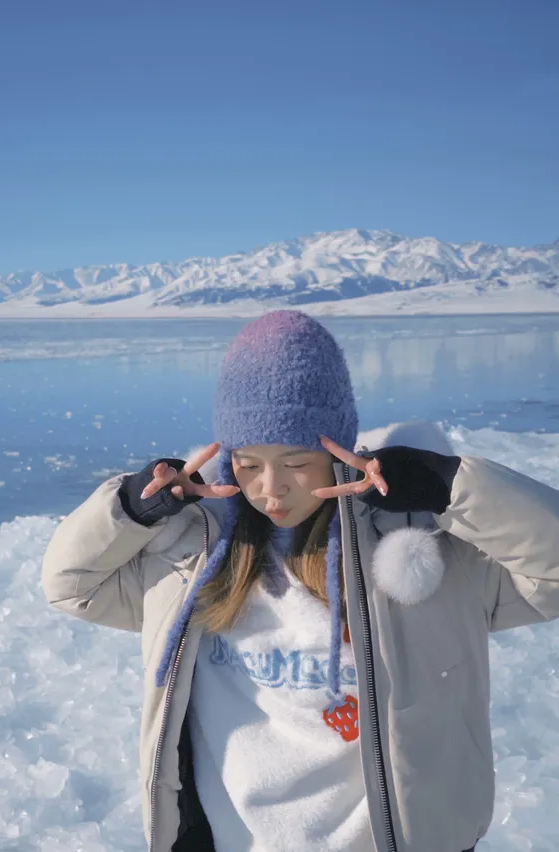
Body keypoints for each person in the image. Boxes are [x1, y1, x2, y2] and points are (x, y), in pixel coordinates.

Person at [42, 310, 559, 852]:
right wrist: (131, 506)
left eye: (296, 462)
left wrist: (448, 488)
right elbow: (71, 584)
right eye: (247, 464)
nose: (272, 489)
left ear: (339, 451)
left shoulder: (419, 557)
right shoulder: (194, 566)